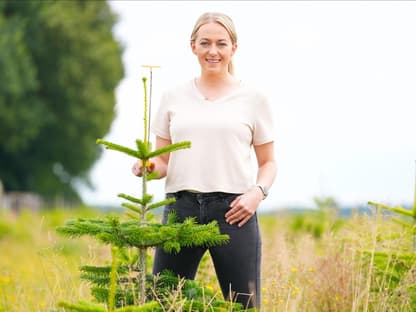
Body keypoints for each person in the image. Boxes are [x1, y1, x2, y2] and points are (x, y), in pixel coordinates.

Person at [132, 12, 276, 309]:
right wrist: (148, 166)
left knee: (243, 304)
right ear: (193, 46)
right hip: (180, 209)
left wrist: (256, 194)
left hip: (235, 212)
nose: (213, 51)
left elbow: (268, 163)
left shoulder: (253, 98)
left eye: (221, 44)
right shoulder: (173, 96)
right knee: (164, 302)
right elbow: (162, 162)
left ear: (233, 48)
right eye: (205, 43)